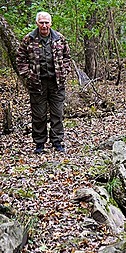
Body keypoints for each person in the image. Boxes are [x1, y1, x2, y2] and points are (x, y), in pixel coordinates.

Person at [16, 11, 71, 154]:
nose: (44, 25)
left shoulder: (59, 38)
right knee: (39, 115)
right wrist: (29, 75)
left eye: (47, 22)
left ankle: (57, 141)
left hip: (56, 83)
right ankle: (39, 143)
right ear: (37, 23)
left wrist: (64, 71)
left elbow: (67, 57)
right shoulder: (29, 39)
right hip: (37, 84)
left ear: (51, 23)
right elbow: (20, 59)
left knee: (57, 114)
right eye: (41, 22)